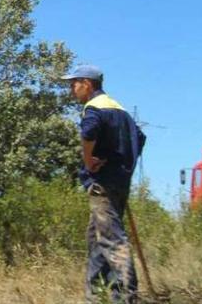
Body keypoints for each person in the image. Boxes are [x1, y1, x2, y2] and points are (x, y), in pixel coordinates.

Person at [63, 65, 146, 304]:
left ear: (87, 84)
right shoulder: (120, 109)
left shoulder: (94, 108)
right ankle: (97, 297)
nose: (72, 89)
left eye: (74, 83)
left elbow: (88, 134)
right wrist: (123, 165)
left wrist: (89, 161)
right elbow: (139, 138)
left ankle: (127, 298)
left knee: (111, 241)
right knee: (96, 242)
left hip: (103, 185)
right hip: (119, 183)